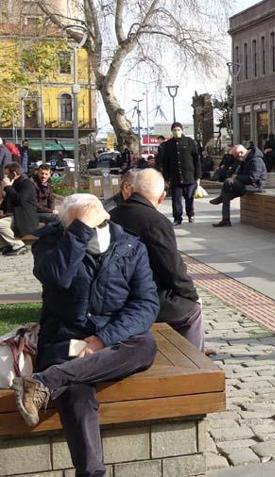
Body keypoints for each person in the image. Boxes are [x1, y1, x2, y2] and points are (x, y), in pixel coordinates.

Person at [12, 193, 158, 477]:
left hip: (111, 343)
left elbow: (146, 304)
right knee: (76, 393)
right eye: (84, 226)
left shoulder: (130, 245)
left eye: (97, 224)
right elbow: (57, 277)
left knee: (146, 343)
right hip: (64, 340)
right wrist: (79, 231)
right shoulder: (50, 243)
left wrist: (102, 339)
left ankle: (44, 382)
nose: (95, 231)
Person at [111, 169, 205, 349]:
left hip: (113, 295)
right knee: (193, 310)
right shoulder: (156, 221)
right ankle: (194, 359)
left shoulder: (112, 215)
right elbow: (172, 269)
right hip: (143, 298)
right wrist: (192, 295)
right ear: (162, 197)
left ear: (132, 190)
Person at [209, 144, 267, 227]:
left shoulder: (255, 160)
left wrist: (236, 177)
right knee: (226, 195)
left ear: (240, 153)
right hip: (245, 185)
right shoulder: (245, 159)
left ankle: (220, 199)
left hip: (255, 186)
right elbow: (236, 172)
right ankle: (226, 220)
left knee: (228, 182)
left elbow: (253, 178)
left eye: (236, 157)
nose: (236, 159)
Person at [159, 122, 201, 225]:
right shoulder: (168, 144)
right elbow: (165, 162)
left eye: (178, 130)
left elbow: (197, 160)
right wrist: (166, 178)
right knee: (176, 200)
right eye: (174, 130)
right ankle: (177, 218)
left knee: (189, 198)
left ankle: (190, 214)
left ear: (182, 130)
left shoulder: (190, 142)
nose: (176, 132)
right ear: (172, 131)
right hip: (175, 177)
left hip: (189, 176)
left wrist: (198, 177)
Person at [0, 162, 38, 256]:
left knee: (1, 225)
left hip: (24, 217)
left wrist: (8, 187)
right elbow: (6, 203)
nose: (4, 177)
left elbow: (20, 200)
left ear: (15, 173)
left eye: (6, 174)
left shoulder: (26, 184)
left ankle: (19, 245)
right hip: (14, 216)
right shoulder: (14, 183)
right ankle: (8, 244)